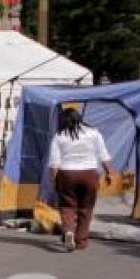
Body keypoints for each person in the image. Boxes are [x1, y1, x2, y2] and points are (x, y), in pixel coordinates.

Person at [48, 107, 118, 251]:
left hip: (66, 174)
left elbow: (54, 162)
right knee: (86, 209)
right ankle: (80, 241)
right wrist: (110, 173)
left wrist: (55, 180)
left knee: (67, 206)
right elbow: (103, 154)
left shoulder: (59, 135)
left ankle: (68, 231)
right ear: (79, 118)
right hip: (89, 174)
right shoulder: (93, 132)